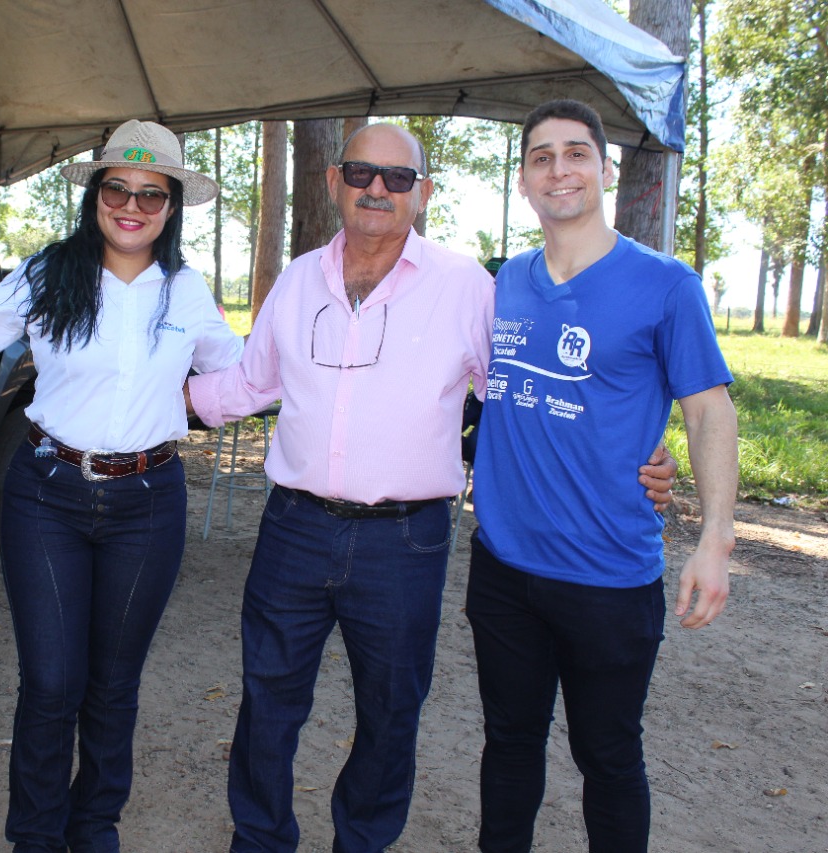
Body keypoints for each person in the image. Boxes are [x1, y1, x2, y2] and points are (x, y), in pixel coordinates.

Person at [185, 122, 677, 853]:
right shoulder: (296, 280)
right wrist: (153, 405)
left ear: (424, 193)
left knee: (391, 712)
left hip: (404, 541)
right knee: (267, 700)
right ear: (334, 181)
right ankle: (258, 840)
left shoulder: (467, 287)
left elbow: (527, 392)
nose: (377, 189)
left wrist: (636, 452)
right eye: (360, 173)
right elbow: (252, 383)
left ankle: (362, 842)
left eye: (398, 178)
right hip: (293, 529)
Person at [0, 119, 243, 852]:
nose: (132, 206)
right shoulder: (48, 272)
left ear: (172, 207)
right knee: (53, 682)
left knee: (113, 686)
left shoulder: (186, 292)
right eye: (117, 188)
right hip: (45, 494)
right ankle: (36, 836)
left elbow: (240, 370)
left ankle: (94, 831)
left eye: (151, 194)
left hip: (148, 503)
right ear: (95, 195)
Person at [466, 99, 737, 853]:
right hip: (503, 566)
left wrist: (716, 538)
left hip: (609, 575)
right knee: (509, 743)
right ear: (524, 179)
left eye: (577, 153)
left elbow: (709, 411)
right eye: (542, 157)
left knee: (609, 757)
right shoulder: (504, 282)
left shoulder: (666, 284)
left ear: (606, 170)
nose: (560, 170)